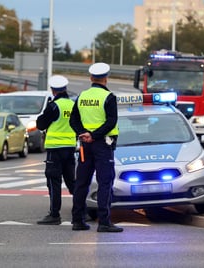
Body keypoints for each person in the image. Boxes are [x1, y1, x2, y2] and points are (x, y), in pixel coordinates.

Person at [69, 62, 123, 232]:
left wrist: (83, 133)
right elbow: (111, 122)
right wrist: (94, 135)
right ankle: (104, 222)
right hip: (102, 145)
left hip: (85, 145)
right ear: (106, 78)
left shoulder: (82, 96)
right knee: (105, 182)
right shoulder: (109, 97)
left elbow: (73, 120)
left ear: (91, 78)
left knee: (82, 183)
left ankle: (77, 220)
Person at [36, 75, 76, 225]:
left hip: (55, 149)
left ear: (53, 91)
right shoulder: (72, 105)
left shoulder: (54, 106)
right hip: (70, 148)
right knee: (72, 182)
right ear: (65, 89)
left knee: (54, 181)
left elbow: (41, 124)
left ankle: (54, 215)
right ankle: (81, 210)